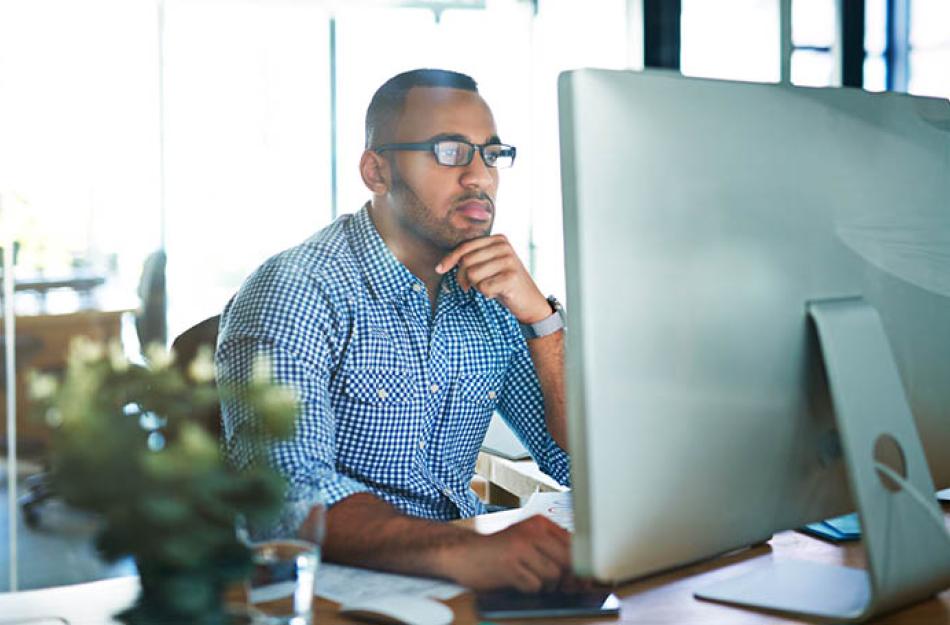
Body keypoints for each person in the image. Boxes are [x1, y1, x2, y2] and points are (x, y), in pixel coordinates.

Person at [218, 68, 571, 592]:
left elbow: (579, 464)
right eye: (450, 151)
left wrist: (543, 320)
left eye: (491, 154)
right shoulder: (296, 290)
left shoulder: (494, 293)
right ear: (376, 171)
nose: (479, 177)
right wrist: (464, 550)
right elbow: (289, 498)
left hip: (457, 576)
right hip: (330, 590)